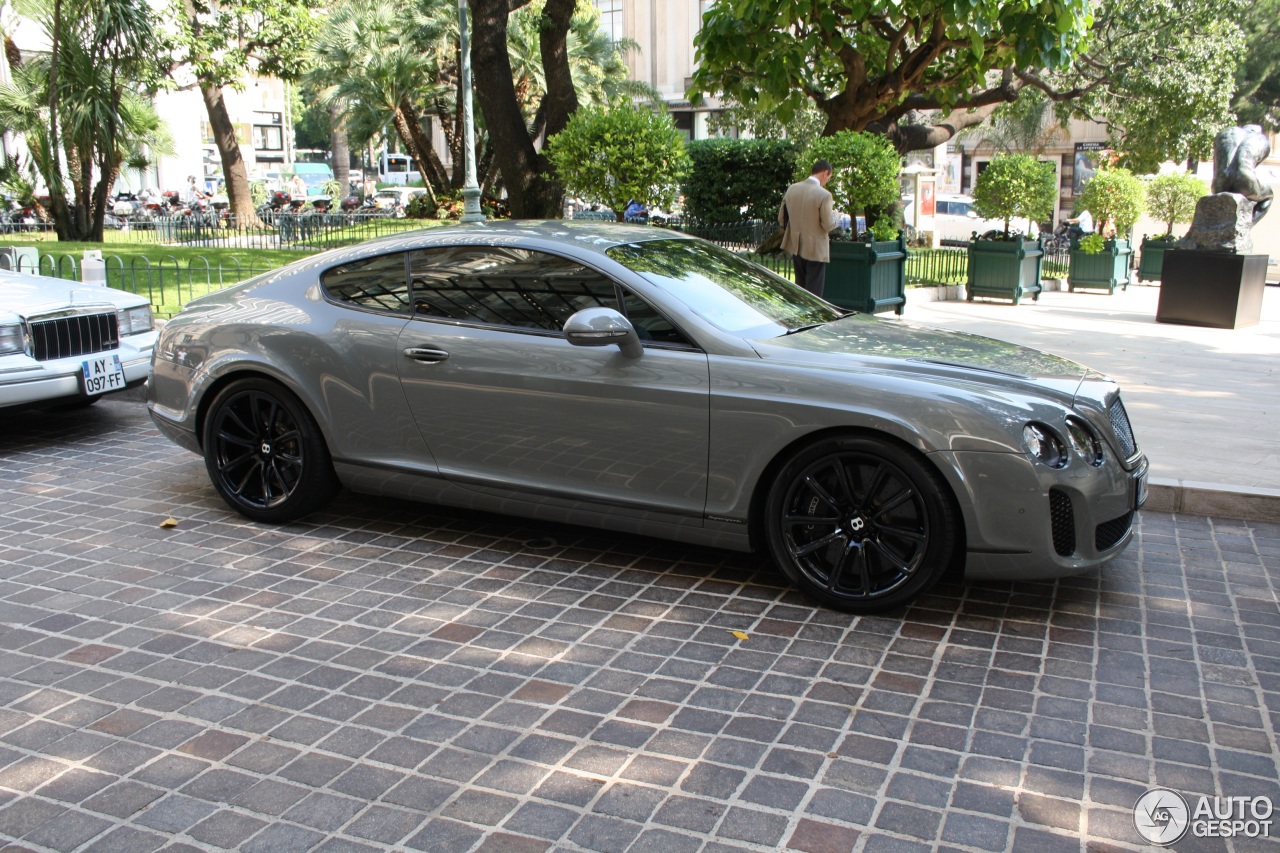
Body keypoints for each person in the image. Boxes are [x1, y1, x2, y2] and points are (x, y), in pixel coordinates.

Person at [779, 160, 838, 297]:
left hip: (796, 245)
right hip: (816, 249)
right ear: (825, 173)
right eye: (828, 178)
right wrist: (837, 216)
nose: (827, 181)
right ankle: (813, 318)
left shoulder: (792, 189)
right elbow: (828, 224)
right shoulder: (824, 195)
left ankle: (800, 316)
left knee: (800, 289)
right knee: (814, 293)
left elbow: (782, 218)